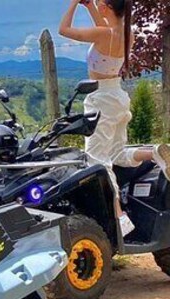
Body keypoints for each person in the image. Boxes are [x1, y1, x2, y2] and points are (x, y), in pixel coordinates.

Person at [58, 0, 169, 236]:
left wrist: (73, 4)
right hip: (118, 95)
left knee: (98, 160)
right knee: (117, 154)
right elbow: (104, 29)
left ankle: (119, 215)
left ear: (108, 7)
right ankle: (154, 153)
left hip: (101, 99)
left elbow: (63, 30)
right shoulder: (127, 32)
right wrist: (90, 8)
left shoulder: (103, 33)